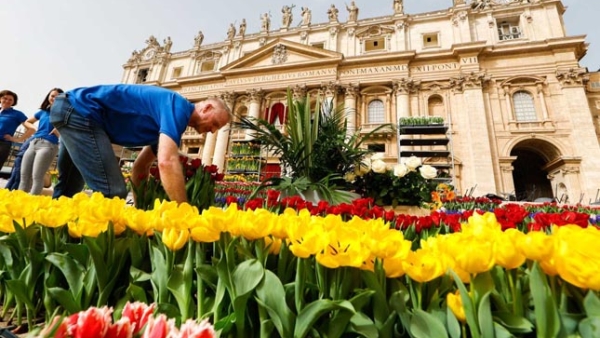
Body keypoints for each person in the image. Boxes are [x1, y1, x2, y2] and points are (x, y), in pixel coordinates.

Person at [49, 84, 231, 204]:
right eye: (215, 123)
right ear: (206, 108)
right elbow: (166, 162)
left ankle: (54, 238)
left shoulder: (169, 124)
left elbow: (140, 167)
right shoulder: (178, 107)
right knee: (113, 192)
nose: (213, 131)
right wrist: (183, 211)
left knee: (67, 189)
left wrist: (139, 208)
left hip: (71, 110)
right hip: (80, 112)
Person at [19, 88, 64, 195]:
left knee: (37, 177)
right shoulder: (42, 112)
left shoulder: (63, 112)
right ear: (48, 97)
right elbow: (28, 122)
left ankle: (32, 203)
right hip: (33, 143)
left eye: (58, 97)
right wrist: (34, 129)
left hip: (48, 145)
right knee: (24, 176)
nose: (54, 98)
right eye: (52, 95)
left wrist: (60, 128)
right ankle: (19, 202)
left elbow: (71, 126)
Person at [0, 90, 34, 169]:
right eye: (5, 98)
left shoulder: (17, 114)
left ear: (13, 102)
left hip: (2, 144)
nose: (7, 101)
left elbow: (32, 129)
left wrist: (18, 139)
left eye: (10, 99)